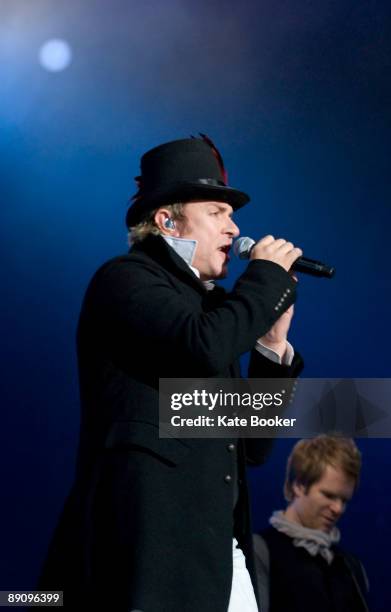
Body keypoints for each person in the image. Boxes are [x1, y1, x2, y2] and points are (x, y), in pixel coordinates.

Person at [39, 135, 304, 611]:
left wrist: (270, 344)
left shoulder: (211, 313)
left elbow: (253, 442)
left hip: (218, 561)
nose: (234, 227)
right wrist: (264, 281)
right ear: (167, 220)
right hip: (151, 561)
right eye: (216, 212)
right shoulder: (125, 280)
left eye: (231, 214)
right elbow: (201, 347)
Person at [254, 435, 369, 612]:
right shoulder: (260, 551)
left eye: (344, 500)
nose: (338, 508)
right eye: (329, 495)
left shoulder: (351, 566)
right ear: (299, 485)